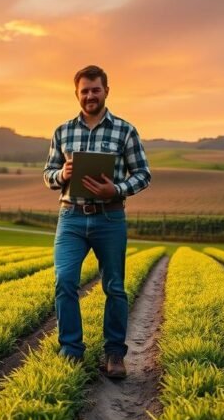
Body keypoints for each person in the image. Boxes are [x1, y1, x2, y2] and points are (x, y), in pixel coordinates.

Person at [43, 64, 151, 379]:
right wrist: (60, 174)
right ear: (77, 93)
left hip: (110, 217)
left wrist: (115, 189)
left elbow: (144, 174)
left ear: (106, 90)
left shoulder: (125, 130)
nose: (90, 95)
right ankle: (71, 351)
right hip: (71, 217)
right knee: (64, 282)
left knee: (115, 288)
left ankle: (114, 355)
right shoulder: (62, 131)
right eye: (85, 91)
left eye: (96, 89)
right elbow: (47, 174)